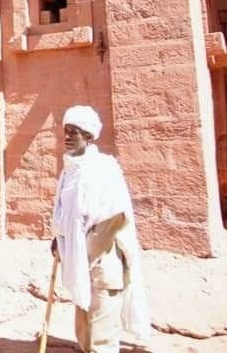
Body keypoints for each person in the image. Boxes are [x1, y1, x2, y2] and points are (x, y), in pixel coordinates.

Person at [51, 105, 151, 353]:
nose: (67, 137)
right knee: (84, 331)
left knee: (101, 336)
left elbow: (116, 216)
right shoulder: (69, 171)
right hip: (78, 258)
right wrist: (59, 239)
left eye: (74, 132)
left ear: (89, 135)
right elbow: (65, 213)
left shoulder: (104, 167)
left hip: (102, 260)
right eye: (66, 131)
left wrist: (88, 252)